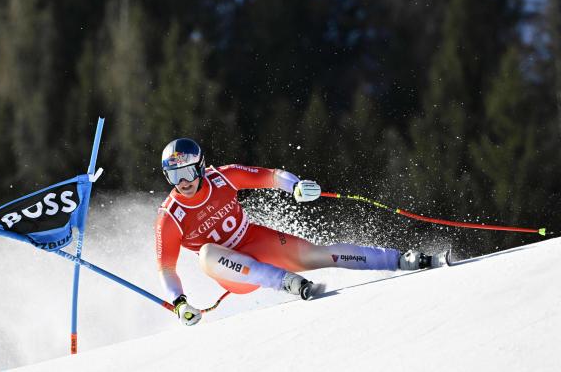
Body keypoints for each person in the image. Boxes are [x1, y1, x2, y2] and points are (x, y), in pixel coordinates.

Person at [155, 138, 448, 326]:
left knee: (317, 254)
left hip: (256, 240)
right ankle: (287, 283)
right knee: (206, 254)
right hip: (234, 271)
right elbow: (166, 268)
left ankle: (402, 260)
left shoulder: (223, 177)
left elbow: (270, 176)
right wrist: (179, 303)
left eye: (188, 172)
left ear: (201, 167)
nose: (183, 182)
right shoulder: (170, 217)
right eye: (174, 176)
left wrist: (295, 186)